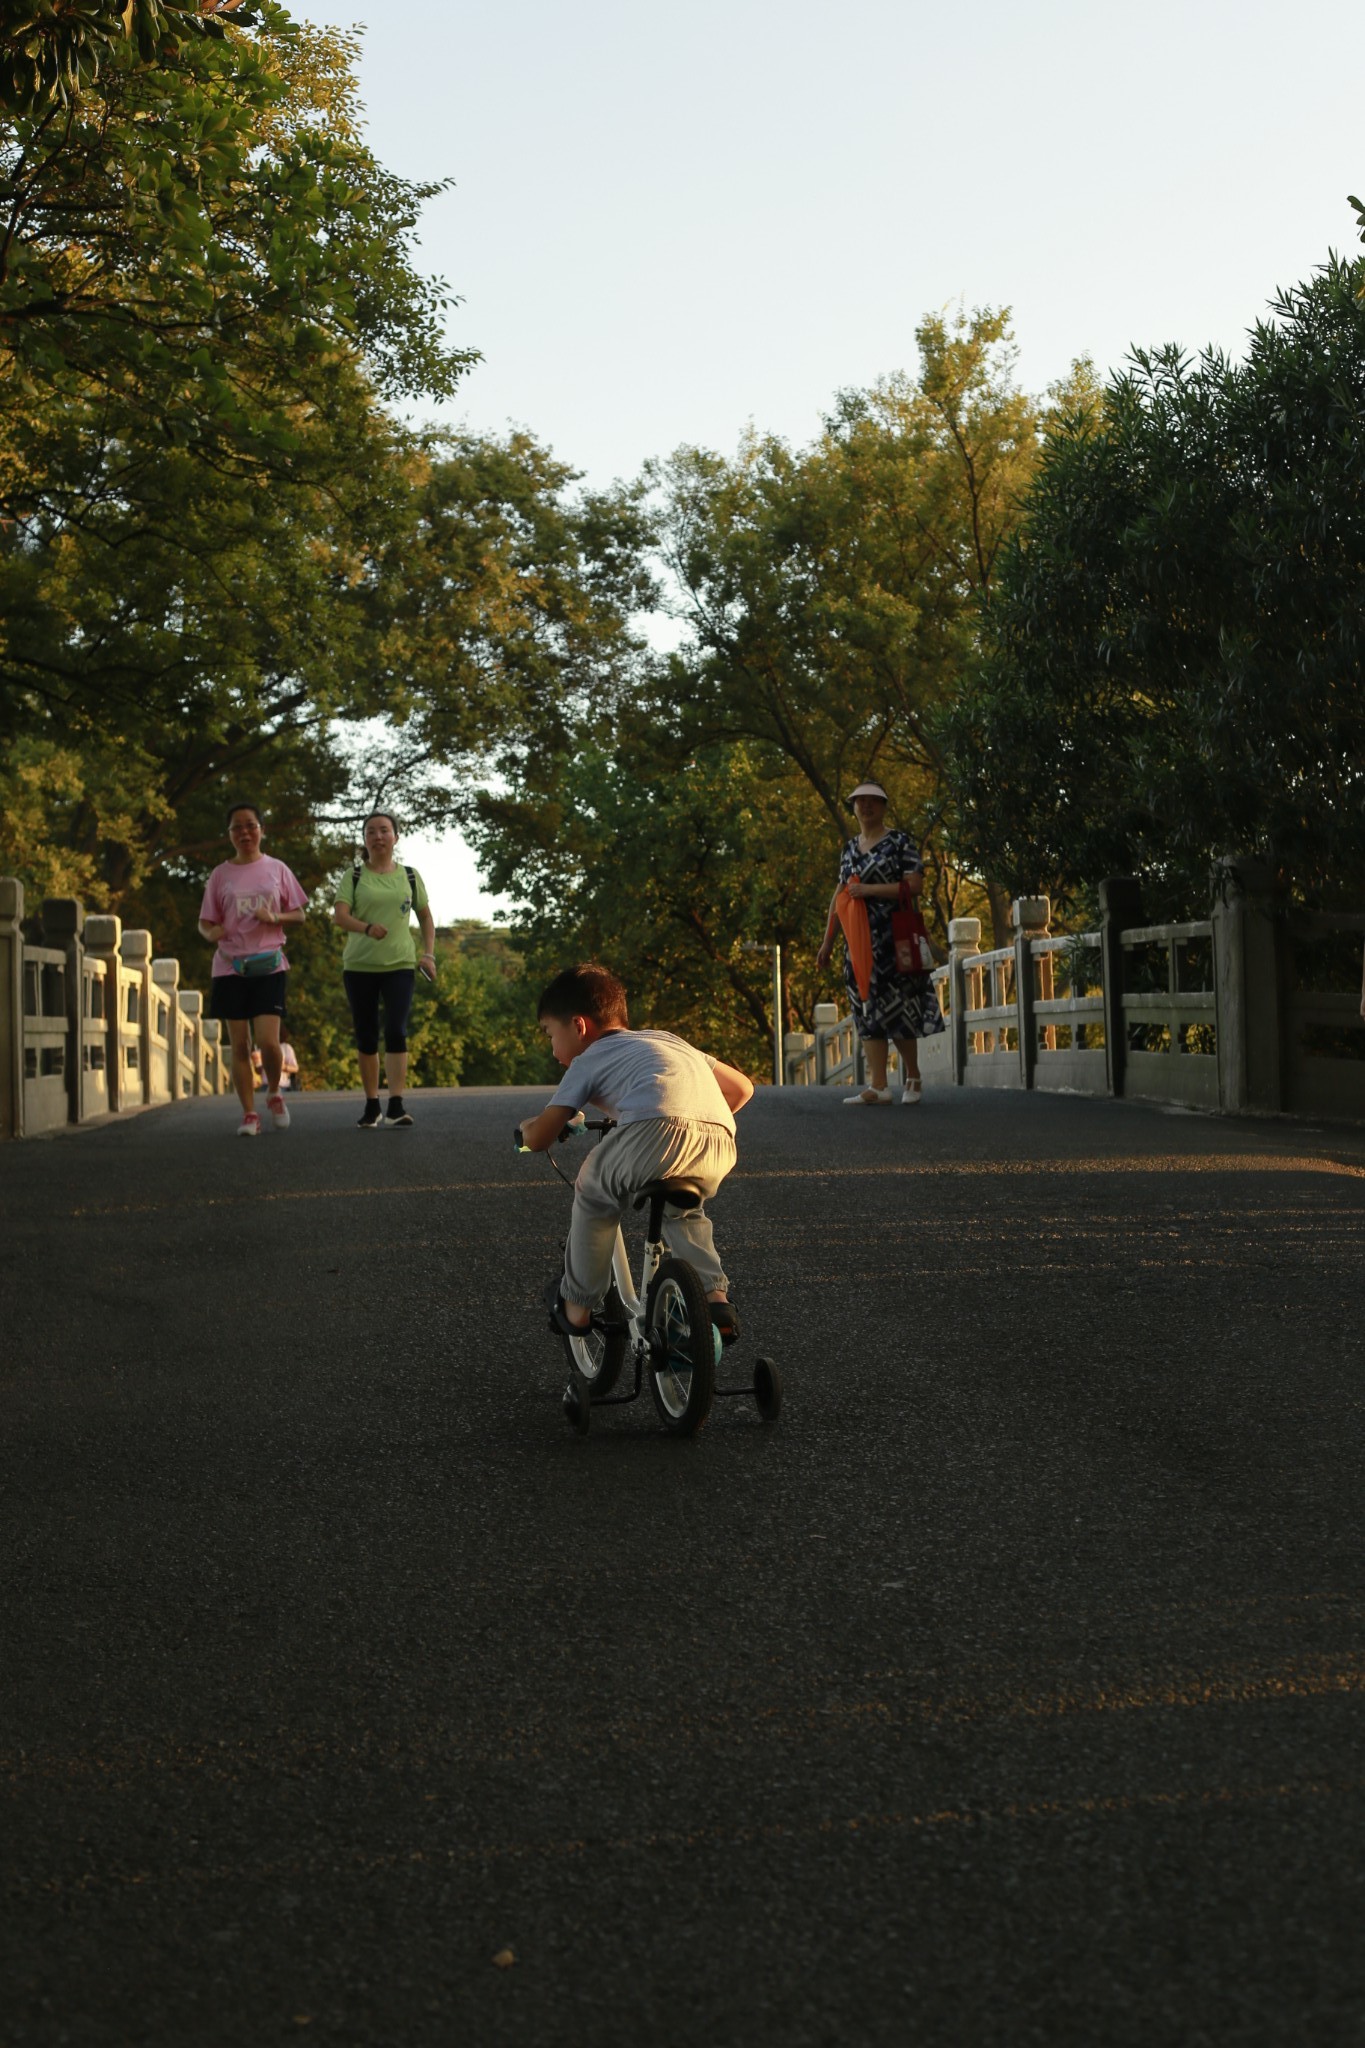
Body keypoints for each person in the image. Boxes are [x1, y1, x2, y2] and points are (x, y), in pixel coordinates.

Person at [518, 963, 754, 1343]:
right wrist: (694, 1117)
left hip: (653, 1131)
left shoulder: (587, 1059)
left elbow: (542, 1136)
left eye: (550, 1034)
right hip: (719, 1140)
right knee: (684, 1210)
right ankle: (715, 1300)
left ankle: (576, 1306)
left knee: (593, 1187)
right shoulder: (668, 1039)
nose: (551, 1047)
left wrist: (526, 1131)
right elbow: (742, 1089)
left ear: (578, 1026)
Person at [815, 780, 944, 1106]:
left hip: (893, 940)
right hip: (858, 944)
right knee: (866, 1010)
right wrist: (827, 940)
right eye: (860, 801)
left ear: (884, 806)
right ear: (854, 807)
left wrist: (870, 891)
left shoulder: (900, 842)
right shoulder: (848, 849)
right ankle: (879, 1085)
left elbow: (913, 886)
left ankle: (912, 1074)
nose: (866, 806)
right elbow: (840, 894)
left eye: (874, 801)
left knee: (899, 1008)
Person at [198, 802, 309, 1137]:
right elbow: (205, 923)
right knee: (241, 1044)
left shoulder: (276, 868)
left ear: (261, 829)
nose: (244, 833)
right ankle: (249, 1113)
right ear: (229, 834)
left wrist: (274, 917)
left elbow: (300, 914)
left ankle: (274, 1090)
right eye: (236, 827)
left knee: (268, 1042)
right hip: (230, 965)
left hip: (268, 963)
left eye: (250, 825)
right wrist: (210, 933)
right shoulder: (220, 875)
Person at [332, 810, 435, 1128]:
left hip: (400, 965)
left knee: (396, 1030)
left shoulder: (410, 876)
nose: (378, 836)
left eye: (384, 830)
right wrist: (365, 928)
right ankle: (371, 1104)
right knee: (366, 1034)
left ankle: (396, 1104)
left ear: (396, 837)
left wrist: (429, 954)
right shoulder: (354, 876)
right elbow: (339, 916)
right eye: (371, 831)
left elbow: (426, 918)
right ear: (365, 839)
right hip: (360, 966)